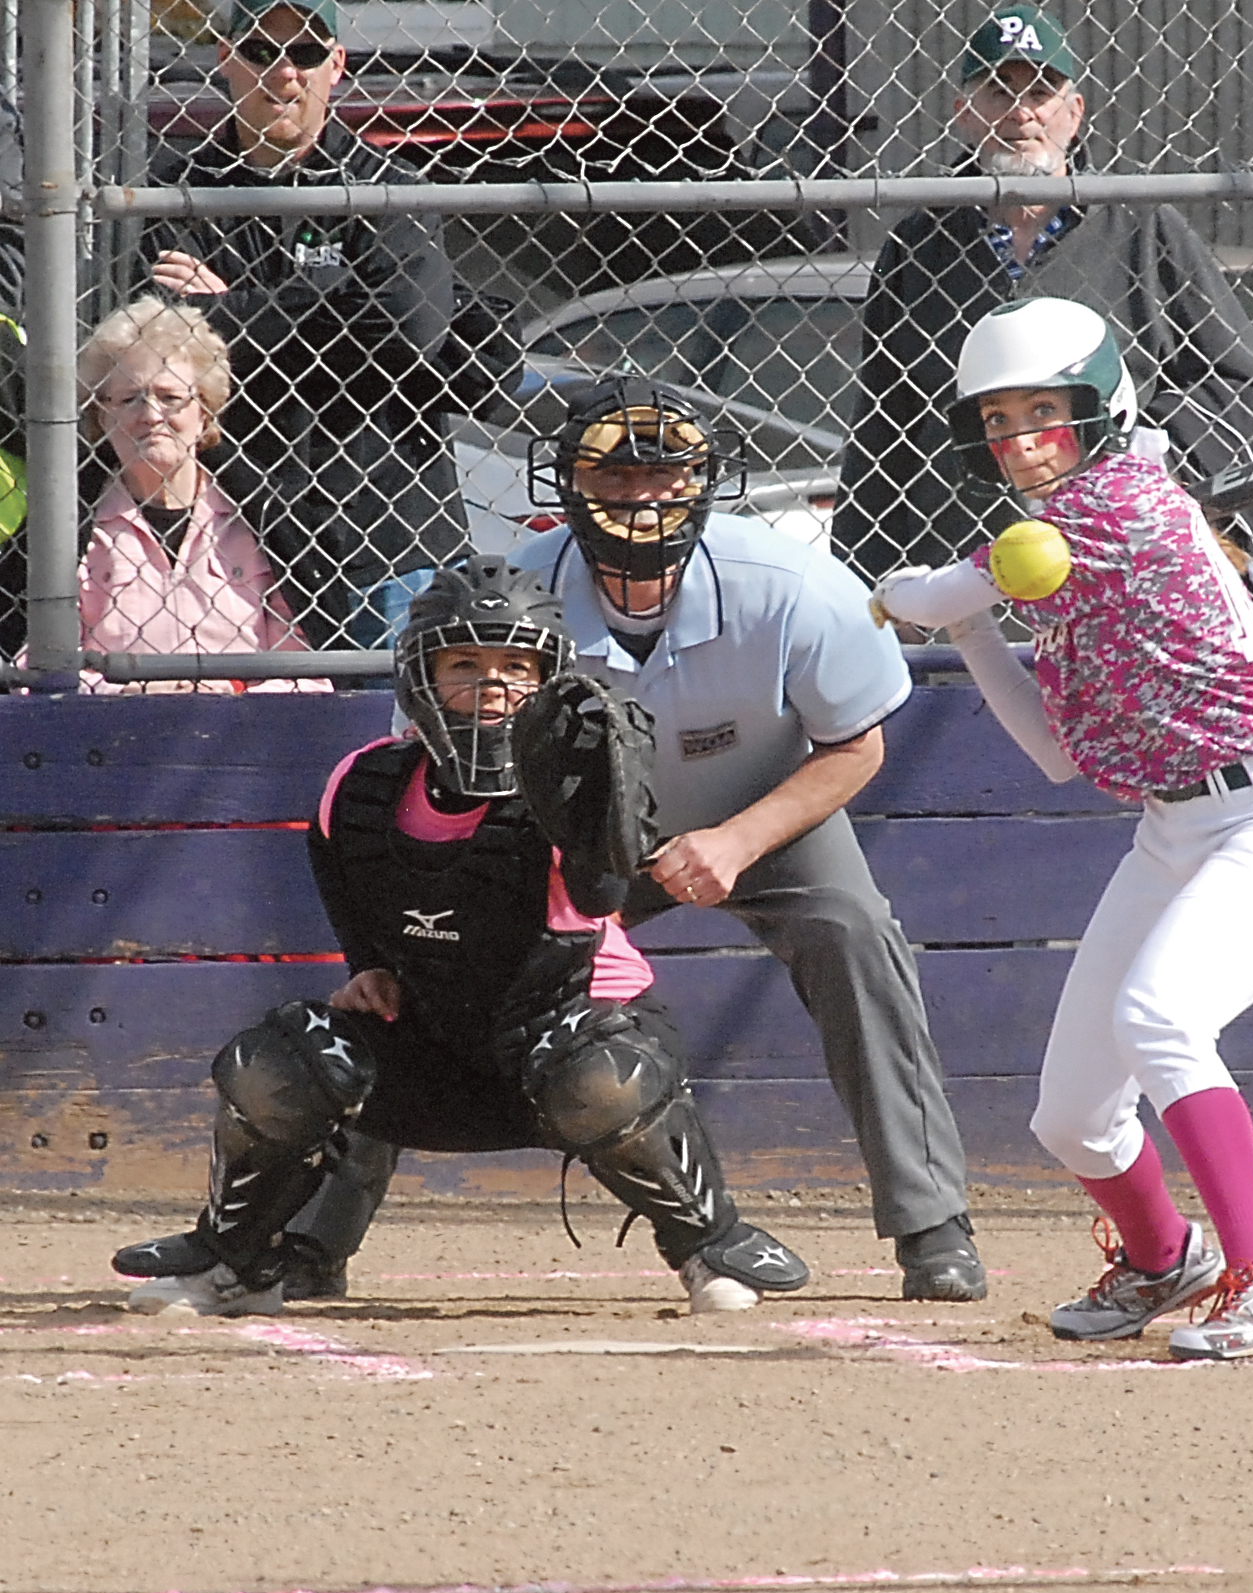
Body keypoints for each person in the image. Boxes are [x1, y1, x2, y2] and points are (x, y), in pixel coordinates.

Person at [117, 554, 811, 1317]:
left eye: (516, 666)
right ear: (420, 676)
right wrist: (369, 966)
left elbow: (599, 894)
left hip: (557, 1042)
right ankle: (238, 1257)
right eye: (464, 663)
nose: (491, 686)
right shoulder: (364, 781)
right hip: (433, 1047)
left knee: (603, 1078)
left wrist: (597, 810)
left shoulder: (570, 793)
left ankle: (707, 1245)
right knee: (276, 1059)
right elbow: (342, 867)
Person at [868, 297, 1253, 1359]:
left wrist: (896, 595)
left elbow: (931, 588)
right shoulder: (1055, 535)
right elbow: (1052, 747)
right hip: (1175, 829)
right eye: (999, 421)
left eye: (1044, 410)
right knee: (1072, 1114)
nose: (1019, 439)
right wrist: (967, 629)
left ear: (1101, 409)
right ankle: (1161, 1256)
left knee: (1162, 1018)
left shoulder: (1118, 506)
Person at [512, 376, 988, 1301]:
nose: (641, 499)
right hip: (583, 831)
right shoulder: (524, 590)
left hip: (764, 806)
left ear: (703, 483)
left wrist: (733, 841)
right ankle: (310, 1229)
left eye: (665, 477)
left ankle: (933, 1225)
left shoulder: (789, 581)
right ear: (568, 483)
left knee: (854, 931)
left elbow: (856, 746)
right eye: (614, 479)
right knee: (460, 956)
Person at [833, 4, 1253, 595]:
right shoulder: (922, 245)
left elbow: (1248, 391)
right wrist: (861, 582)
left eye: (1043, 92)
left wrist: (1143, 452)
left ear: (1074, 113)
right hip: (967, 571)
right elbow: (883, 420)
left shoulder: (1142, 226)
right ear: (963, 115)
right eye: (998, 92)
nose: (1023, 113)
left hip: (1122, 570)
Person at [139, 0, 462, 648]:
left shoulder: (386, 185)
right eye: (260, 51)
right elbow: (160, 350)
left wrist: (231, 312)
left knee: (399, 735)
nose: (283, 72)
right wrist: (330, 300)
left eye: (306, 54)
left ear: (335, 65)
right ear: (225, 58)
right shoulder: (172, 188)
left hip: (387, 538)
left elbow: (411, 333)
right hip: (236, 536)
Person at [74, 298, 325, 693]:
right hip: (104, 739)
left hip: (246, 737)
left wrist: (236, 696)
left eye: (170, 397)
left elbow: (309, 669)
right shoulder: (74, 529)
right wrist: (125, 693)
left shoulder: (264, 519)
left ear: (204, 412)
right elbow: (33, 667)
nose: (151, 415)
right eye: (128, 399)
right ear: (101, 417)